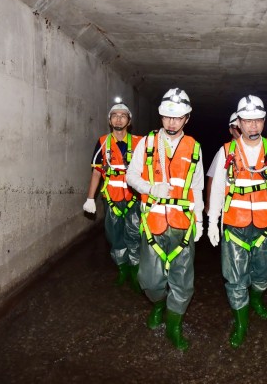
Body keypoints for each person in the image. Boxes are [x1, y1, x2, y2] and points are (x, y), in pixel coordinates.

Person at [208, 95, 267, 348]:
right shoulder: (227, 151)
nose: (253, 126)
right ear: (239, 123)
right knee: (235, 279)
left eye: (257, 120)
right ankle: (241, 323)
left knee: (262, 274)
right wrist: (212, 222)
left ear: (264, 121)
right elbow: (216, 190)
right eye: (247, 121)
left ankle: (257, 297)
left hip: (266, 225)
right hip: (235, 225)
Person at [126, 88, 204, 351]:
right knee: (150, 280)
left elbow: (197, 186)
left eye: (178, 117)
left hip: (183, 223)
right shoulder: (147, 143)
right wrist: (150, 188)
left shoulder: (194, 147)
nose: (172, 122)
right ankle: (159, 303)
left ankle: (174, 326)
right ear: (161, 117)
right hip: (154, 222)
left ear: (187, 118)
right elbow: (131, 176)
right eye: (168, 117)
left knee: (183, 280)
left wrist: (201, 221)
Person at [83, 100, 143, 292]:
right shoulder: (102, 143)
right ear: (110, 120)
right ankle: (122, 270)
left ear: (129, 120)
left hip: (134, 198)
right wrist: (90, 198)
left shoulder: (140, 143)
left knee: (134, 235)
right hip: (112, 199)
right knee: (114, 236)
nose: (119, 119)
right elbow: (97, 172)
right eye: (115, 115)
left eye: (123, 115)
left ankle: (135, 273)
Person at [204, 112, 241, 215]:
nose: (240, 130)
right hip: (229, 206)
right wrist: (209, 204)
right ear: (230, 130)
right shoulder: (224, 151)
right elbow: (212, 178)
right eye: (236, 127)